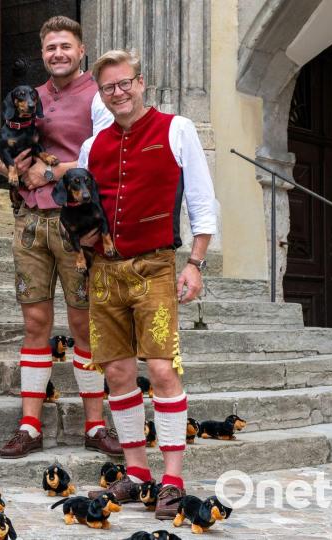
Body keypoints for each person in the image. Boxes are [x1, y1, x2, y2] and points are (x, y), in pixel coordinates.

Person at [79, 49, 218, 520]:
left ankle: (173, 478)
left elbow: (201, 199)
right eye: (108, 87)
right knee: (117, 373)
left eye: (125, 83)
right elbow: (81, 208)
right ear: (100, 94)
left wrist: (195, 262)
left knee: (160, 369)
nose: (118, 92)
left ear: (141, 83)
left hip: (156, 266)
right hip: (103, 272)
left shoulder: (177, 129)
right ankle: (138, 474)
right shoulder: (92, 145)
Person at [0, 16, 120, 459]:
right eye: (50, 48)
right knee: (34, 324)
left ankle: (95, 424)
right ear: (43, 53)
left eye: (65, 46)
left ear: (81, 50)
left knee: (84, 324)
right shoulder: (29, 98)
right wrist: (9, 168)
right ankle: (30, 425)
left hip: (77, 224)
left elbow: (105, 155)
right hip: (30, 220)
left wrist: (49, 171)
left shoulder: (99, 96)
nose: (58, 54)